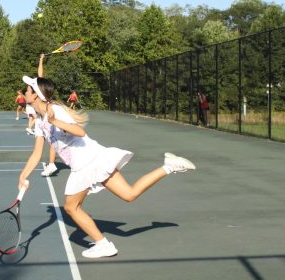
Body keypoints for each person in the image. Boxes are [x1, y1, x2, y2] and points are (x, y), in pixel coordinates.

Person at [17, 75, 196, 259]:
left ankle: (103, 245)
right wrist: (23, 176)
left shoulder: (55, 111)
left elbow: (80, 131)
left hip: (85, 161)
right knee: (129, 194)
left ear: (36, 94)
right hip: (93, 158)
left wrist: (55, 121)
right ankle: (169, 166)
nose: (24, 92)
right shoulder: (39, 120)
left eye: (28, 89)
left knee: (71, 208)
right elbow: (37, 154)